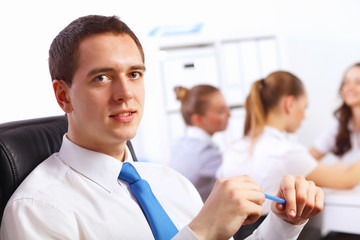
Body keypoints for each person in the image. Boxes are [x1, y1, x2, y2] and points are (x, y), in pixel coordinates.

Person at [0, 15, 323, 240]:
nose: (125, 93)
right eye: (102, 77)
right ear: (63, 95)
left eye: (134, 74)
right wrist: (203, 232)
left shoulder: (170, 183)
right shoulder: (39, 209)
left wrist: (284, 222)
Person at [217, 70, 360, 217]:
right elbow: (347, 180)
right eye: (304, 107)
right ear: (290, 104)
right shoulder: (285, 152)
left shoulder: (233, 148)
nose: (304, 116)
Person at [169, 84, 230, 201]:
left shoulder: (181, 143)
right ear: (198, 120)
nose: (229, 114)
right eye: (221, 111)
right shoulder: (204, 153)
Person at [309, 63, 360, 165]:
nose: (349, 87)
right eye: (345, 82)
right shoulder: (339, 128)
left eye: (358, 82)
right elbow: (306, 160)